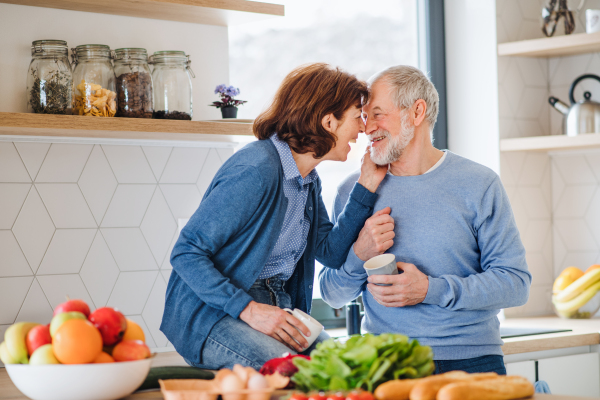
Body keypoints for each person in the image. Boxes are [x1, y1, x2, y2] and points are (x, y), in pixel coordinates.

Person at [160, 63, 395, 370]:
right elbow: (186, 252)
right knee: (298, 375)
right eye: (356, 117)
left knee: (348, 370)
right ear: (328, 121)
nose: (363, 128)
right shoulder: (256, 171)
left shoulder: (307, 179)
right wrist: (249, 310)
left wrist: (366, 186)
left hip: (277, 306)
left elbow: (331, 252)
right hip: (214, 315)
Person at [319, 65, 532, 375]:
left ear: (416, 112)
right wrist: (359, 255)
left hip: (472, 362)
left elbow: (515, 284)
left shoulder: (479, 183)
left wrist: (429, 289)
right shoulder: (356, 190)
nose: (367, 128)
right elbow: (331, 292)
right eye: (364, 117)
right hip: (385, 366)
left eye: (378, 114)